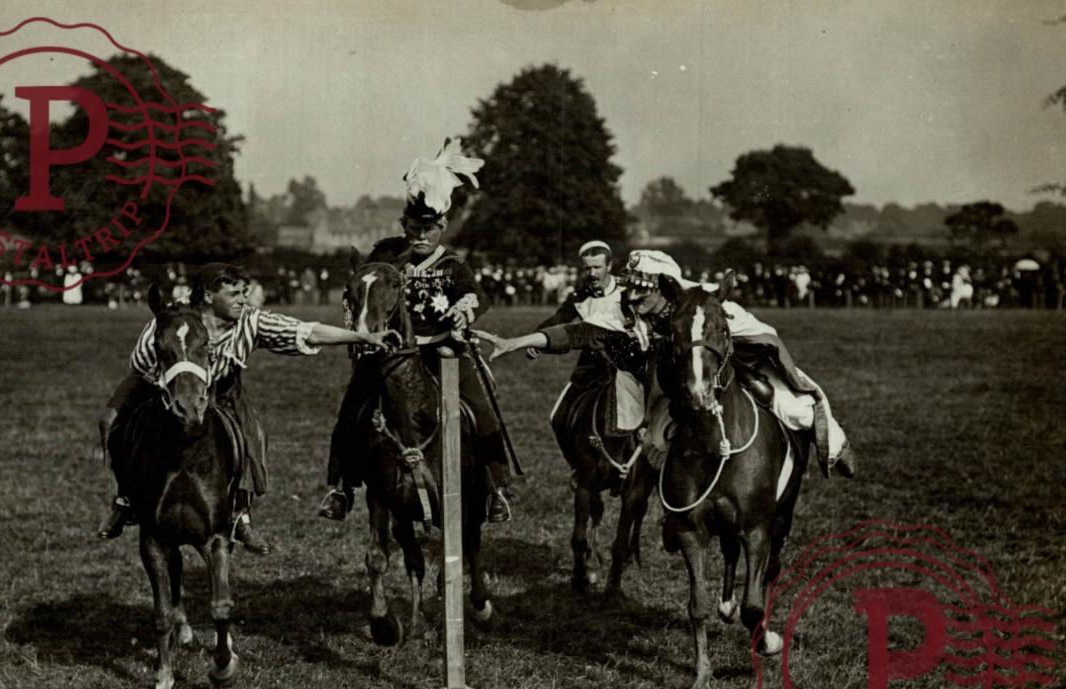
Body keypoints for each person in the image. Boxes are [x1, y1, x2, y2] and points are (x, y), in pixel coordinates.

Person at [97, 263, 397, 552]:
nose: (244, 300)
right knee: (109, 420)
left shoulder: (250, 320)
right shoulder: (174, 317)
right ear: (207, 296)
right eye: (235, 294)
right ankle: (124, 500)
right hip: (159, 387)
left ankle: (241, 516)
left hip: (223, 392)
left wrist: (363, 336)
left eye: (244, 292)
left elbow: (307, 331)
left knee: (252, 436)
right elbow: (139, 363)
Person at [486, 250, 856, 480]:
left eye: (642, 290)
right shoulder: (628, 310)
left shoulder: (706, 303)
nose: (633, 297)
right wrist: (518, 341)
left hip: (732, 353)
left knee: (788, 399)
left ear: (665, 288)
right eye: (630, 288)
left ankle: (833, 443)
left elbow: (762, 336)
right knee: (658, 445)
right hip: (677, 378)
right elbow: (578, 333)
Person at [318, 138, 515, 523]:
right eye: (413, 227)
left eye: (428, 229)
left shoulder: (453, 265)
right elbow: (360, 283)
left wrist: (463, 312)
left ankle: (497, 488)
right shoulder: (386, 253)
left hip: (444, 353)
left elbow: (477, 296)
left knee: (482, 409)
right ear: (403, 224)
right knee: (351, 411)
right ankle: (340, 487)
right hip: (387, 354)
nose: (420, 236)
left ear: (441, 225)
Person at [522, 240, 640, 469]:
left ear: (609, 266)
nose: (592, 273)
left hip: (627, 364)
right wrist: (537, 338)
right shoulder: (578, 297)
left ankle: (639, 470)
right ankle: (577, 467)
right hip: (591, 366)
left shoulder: (627, 292)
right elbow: (558, 320)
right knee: (557, 418)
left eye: (597, 267)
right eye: (587, 268)